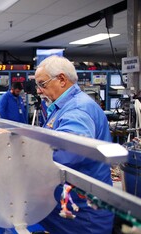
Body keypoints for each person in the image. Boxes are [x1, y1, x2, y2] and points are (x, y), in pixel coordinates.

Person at [34, 55, 113, 233]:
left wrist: (23, 150)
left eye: (42, 84)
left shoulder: (77, 110)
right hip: (71, 207)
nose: (39, 90)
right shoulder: (64, 107)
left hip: (84, 215)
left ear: (61, 79)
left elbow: (67, 153)